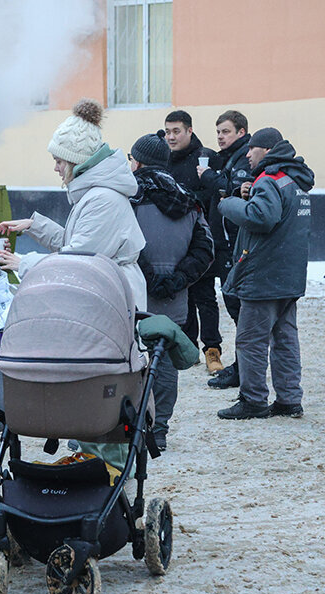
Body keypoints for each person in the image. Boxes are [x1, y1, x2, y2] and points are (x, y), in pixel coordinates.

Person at [0, 98, 146, 470]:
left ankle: (107, 467)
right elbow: (77, 246)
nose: (56, 167)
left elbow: (77, 262)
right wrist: (36, 226)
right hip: (99, 296)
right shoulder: (95, 195)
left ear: (78, 161)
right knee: (88, 375)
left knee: (102, 378)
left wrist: (23, 263)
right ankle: (90, 458)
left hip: (107, 298)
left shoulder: (102, 200)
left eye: (60, 160)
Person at [216, 127, 313, 420]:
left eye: (252, 149)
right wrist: (249, 193)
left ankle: (253, 400)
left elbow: (261, 217)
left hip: (264, 275)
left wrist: (227, 202)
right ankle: (289, 399)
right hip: (289, 275)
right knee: (285, 339)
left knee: (250, 340)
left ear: (267, 151)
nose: (247, 154)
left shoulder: (269, 179)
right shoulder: (295, 180)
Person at [129, 131, 213, 451]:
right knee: (163, 365)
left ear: (138, 162)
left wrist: (149, 277)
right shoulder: (189, 200)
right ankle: (159, 429)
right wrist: (177, 279)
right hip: (175, 300)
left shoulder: (129, 197)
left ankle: (127, 427)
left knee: (129, 362)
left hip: (136, 297)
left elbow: (125, 243)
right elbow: (205, 250)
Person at [164, 110, 222, 374]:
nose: (171, 137)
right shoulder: (164, 159)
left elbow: (213, 195)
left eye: (176, 131)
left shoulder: (207, 158)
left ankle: (212, 350)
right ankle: (187, 346)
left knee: (205, 296)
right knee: (182, 297)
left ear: (189, 131)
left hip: (201, 239)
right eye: (167, 132)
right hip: (173, 240)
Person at [200, 110, 252, 389]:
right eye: (218, 132)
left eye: (226, 132)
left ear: (241, 132)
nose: (220, 137)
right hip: (225, 243)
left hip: (235, 245)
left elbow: (232, 190)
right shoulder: (232, 156)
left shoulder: (244, 157)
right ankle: (242, 365)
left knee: (237, 305)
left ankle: (246, 368)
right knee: (233, 304)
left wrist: (210, 176)